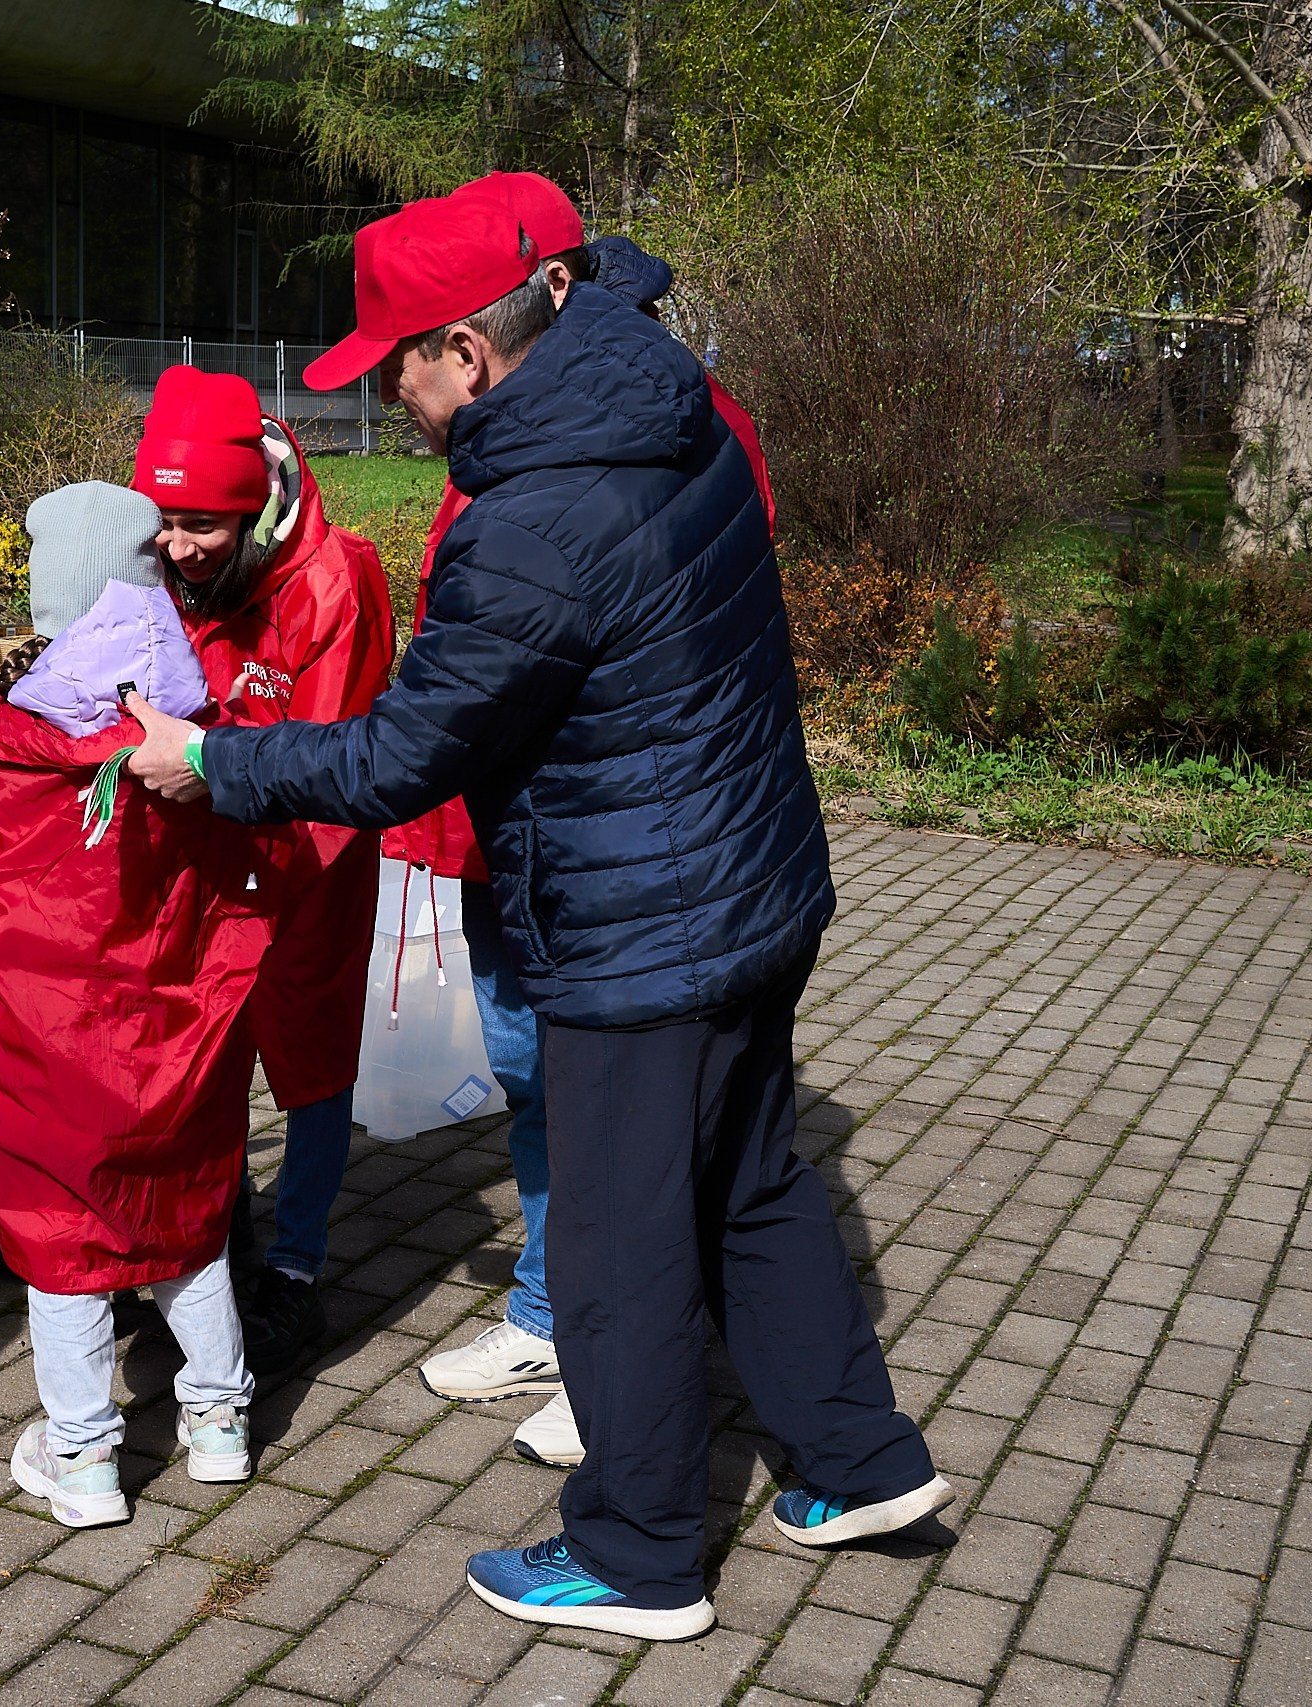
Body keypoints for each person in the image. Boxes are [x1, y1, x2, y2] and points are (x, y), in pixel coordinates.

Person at [121, 190, 949, 1642]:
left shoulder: (537, 514)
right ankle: (860, 1461)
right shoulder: (673, 398)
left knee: (628, 1248)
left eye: (403, 360)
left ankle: (638, 1553)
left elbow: (396, 756)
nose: (392, 388)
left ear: (472, 349)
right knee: (751, 1179)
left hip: (643, 924)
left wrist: (209, 759)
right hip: (753, 879)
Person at [408, 194, 783, 1476]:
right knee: (533, 1089)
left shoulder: (657, 421)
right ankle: (556, 1316)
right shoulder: (540, 421)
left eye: (412, 356)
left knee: (636, 1145)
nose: (403, 394)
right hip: (519, 843)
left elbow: (647, 646)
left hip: (623, 862)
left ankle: (627, 1369)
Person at [0, 481, 272, 1529]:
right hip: (177, 1031)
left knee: (63, 1243)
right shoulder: (196, 728)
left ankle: (82, 1459)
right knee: (188, 1223)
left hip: (48, 1045)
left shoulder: (6, 741)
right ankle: (217, 1426)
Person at [128, 367, 394, 1376]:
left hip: (308, 854)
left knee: (309, 1056)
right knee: (202, 1047)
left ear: (249, 511)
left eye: (199, 525)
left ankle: (293, 1269)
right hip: (202, 844)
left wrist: (227, 787)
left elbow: (338, 753)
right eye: (162, 519)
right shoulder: (164, 564)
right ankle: (207, 1243)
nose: (177, 548)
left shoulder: (335, 579)